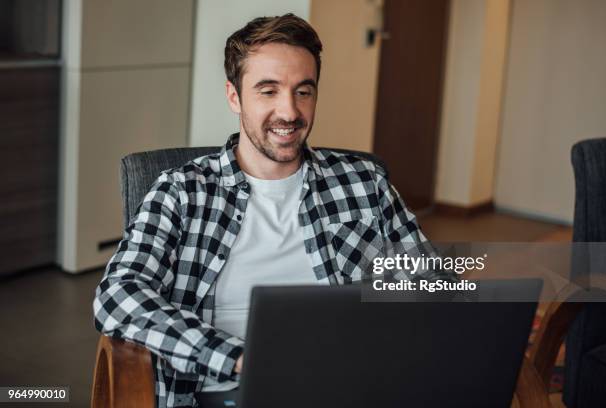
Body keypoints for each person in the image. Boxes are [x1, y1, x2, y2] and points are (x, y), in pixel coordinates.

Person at [93, 13, 449, 408]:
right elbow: (117, 296)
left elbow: (430, 282)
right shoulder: (181, 192)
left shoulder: (364, 181)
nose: (290, 112)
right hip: (223, 390)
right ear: (234, 96)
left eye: (303, 91)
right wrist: (240, 358)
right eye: (268, 91)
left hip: (348, 384)